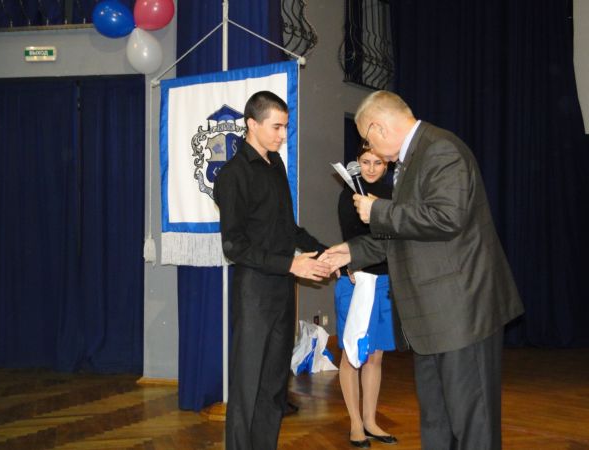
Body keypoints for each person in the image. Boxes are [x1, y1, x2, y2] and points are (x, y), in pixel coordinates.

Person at [321, 91, 524, 450]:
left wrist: (378, 211)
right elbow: (408, 233)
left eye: (368, 139)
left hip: (461, 315)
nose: (370, 148)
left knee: (472, 426)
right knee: (436, 422)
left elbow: (447, 218)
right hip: (432, 319)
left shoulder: (441, 150)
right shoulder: (414, 158)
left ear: (378, 127)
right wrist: (351, 251)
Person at [213, 91, 330, 450]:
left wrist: (327, 253)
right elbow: (234, 246)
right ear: (252, 124)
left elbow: (288, 229)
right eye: (276, 127)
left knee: (274, 386)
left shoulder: (276, 164)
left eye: (285, 127)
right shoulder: (232, 175)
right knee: (247, 386)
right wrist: (291, 263)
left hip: (282, 289)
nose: (283, 135)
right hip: (253, 292)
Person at [335, 147, 398, 448]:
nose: (371, 168)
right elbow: (354, 237)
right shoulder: (349, 194)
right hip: (356, 280)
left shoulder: (393, 195)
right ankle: (355, 424)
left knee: (375, 356)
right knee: (353, 355)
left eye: (378, 162)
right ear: (357, 164)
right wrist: (352, 263)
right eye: (365, 162)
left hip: (385, 281)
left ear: (386, 165)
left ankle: (370, 420)